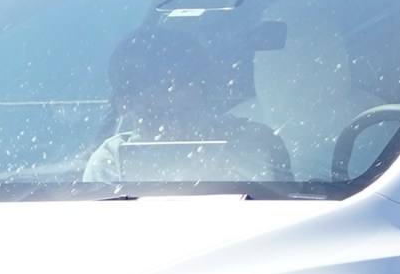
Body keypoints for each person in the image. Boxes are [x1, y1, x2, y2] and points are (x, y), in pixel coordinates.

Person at [84, 20, 292, 184]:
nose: (176, 129)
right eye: (158, 115)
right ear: (125, 107)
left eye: (187, 111)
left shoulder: (254, 145)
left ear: (204, 99)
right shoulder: (111, 164)